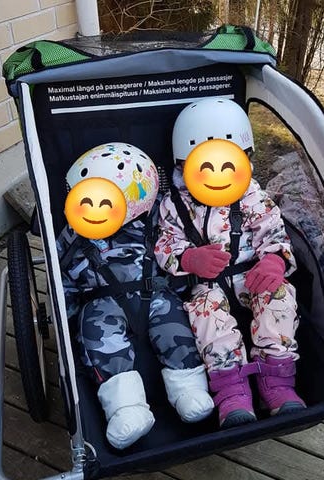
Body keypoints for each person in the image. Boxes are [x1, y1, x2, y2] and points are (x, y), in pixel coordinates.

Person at [154, 98, 306, 429]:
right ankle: (232, 390)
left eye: (228, 164)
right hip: (207, 285)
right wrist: (188, 257)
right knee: (206, 313)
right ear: (183, 165)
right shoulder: (174, 204)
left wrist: (274, 260)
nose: (218, 175)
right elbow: (164, 245)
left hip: (251, 276)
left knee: (279, 295)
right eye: (204, 166)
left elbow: (274, 232)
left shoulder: (252, 196)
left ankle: (277, 381)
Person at [57, 142, 213, 450]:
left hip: (156, 294)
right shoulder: (73, 234)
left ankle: (189, 389)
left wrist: (183, 284)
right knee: (98, 340)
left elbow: (176, 247)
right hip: (100, 301)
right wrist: (68, 312)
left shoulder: (156, 219)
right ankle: (126, 408)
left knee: (176, 329)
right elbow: (61, 272)